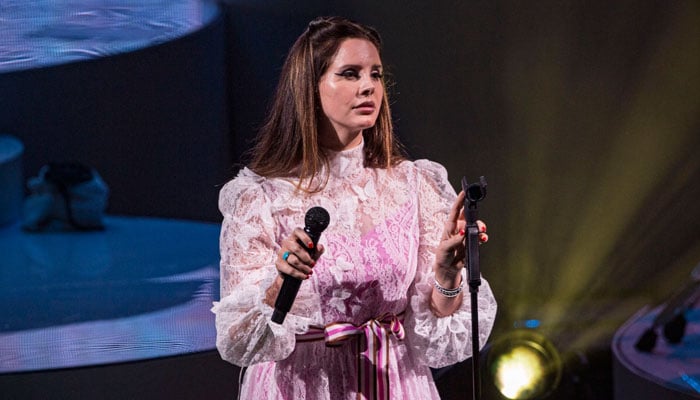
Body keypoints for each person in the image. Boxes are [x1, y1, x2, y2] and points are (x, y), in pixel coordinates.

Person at [212, 16, 497, 400]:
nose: (368, 87)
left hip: (395, 382)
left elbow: (437, 338)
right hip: (302, 387)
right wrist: (280, 283)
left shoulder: (416, 185)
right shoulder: (259, 198)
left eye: (375, 75)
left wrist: (448, 276)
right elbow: (239, 342)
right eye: (350, 74)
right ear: (310, 87)